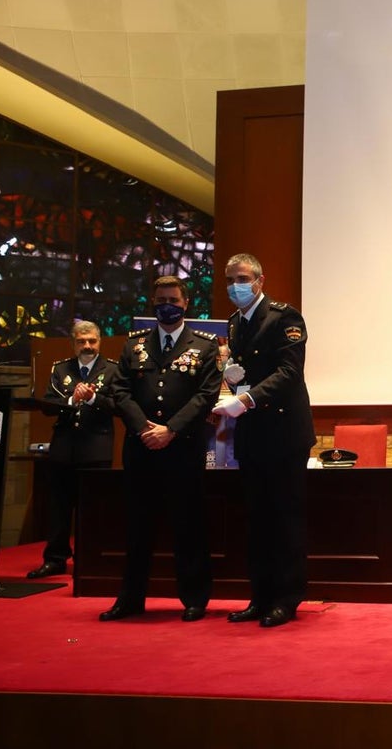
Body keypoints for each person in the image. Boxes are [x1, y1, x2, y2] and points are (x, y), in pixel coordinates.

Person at [100, 276, 220, 622]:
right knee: (137, 527)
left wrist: (170, 430)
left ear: (185, 304)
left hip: (182, 448)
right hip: (141, 448)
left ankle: (195, 599)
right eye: (160, 299)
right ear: (153, 303)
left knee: (189, 525)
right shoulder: (134, 345)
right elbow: (120, 391)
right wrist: (143, 428)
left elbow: (205, 396)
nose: (166, 304)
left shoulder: (205, 346)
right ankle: (130, 599)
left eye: (173, 299)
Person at [212, 253, 315, 628]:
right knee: (256, 519)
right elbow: (245, 369)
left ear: (260, 279)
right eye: (229, 279)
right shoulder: (236, 321)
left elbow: (289, 372)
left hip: (284, 432)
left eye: (242, 278)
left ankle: (286, 600)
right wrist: (233, 382)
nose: (235, 286)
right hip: (252, 431)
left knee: (284, 518)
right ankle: (260, 596)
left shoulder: (285, 317)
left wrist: (247, 398)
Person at [26, 320, 120, 579]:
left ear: (99, 342)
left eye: (91, 341)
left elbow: (119, 406)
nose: (87, 346)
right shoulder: (60, 369)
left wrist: (92, 398)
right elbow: (48, 404)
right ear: (73, 343)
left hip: (96, 447)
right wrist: (72, 400)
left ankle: (90, 558)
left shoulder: (112, 370)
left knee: (92, 507)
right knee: (58, 506)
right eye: (81, 341)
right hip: (64, 447)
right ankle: (55, 558)